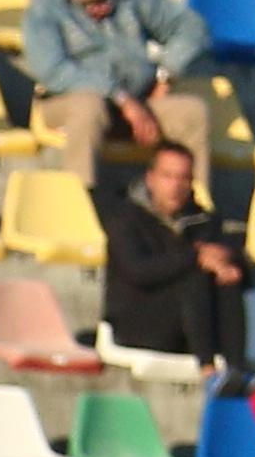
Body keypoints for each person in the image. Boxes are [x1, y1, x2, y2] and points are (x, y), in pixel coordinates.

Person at [25, 0, 214, 182]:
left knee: (193, 113)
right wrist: (120, 97)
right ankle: (80, 196)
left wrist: (166, 75)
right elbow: (53, 71)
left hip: (139, 102)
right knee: (88, 107)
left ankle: (194, 199)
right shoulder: (45, 7)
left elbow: (192, 28)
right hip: (70, 103)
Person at [100, 132, 244, 371]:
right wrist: (195, 256)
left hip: (189, 326)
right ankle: (208, 371)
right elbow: (139, 271)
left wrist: (226, 260)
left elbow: (233, 262)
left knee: (226, 279)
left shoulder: (203, 221)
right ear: (150, 179)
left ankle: (236, 370)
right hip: (137, 322)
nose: (176, 186)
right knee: (195, 275)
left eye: (184, 178)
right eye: (168, 176)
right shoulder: (124, 219)